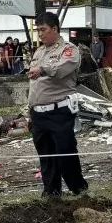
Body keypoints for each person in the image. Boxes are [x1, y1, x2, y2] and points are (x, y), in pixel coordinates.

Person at [27, 11, 87, 198]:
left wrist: (43, 69)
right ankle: (51, 192)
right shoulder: (39, 52)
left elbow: (62, 69)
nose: (41, 34)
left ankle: (78, 189)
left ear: (55, 29)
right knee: (46, 155)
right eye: (38, 31)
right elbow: (34, 84)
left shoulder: (69, 50)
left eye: (43, 30)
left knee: (65, 152)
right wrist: (30, 111)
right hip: (39, 113)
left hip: (59, 110)